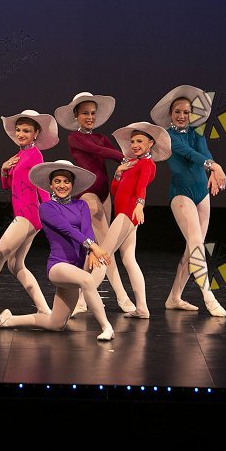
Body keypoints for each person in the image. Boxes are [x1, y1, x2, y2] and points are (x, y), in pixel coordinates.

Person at [0, 160, 115, 341]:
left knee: (56, 324)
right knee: (87, 280)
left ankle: (9, 320)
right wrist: (93, 246)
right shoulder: (46, 208)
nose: (62, 185)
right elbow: (67, 229)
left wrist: (91, 250)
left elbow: (86, 229)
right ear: (50, 185)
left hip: (75, 268)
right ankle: (107, 327)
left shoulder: (81, 205)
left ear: (72, 185)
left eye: (66, 181)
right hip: (58, 266)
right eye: (57, 181)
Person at [54, 92, 135, 314]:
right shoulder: (74, 138)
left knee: (100, 247)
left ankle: (82, 299)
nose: (90, 117)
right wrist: (125, 158)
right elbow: (99, 151)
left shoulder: (100, 136)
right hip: (88, 195)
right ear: (76, 116)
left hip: (104, 194)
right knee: (106, 246)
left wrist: (133, 163)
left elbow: (109, 151)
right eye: (85, 113)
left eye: (92, 113)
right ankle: (121, 296)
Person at [149, 85, 226, 317]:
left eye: (186, 112)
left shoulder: (197, 133)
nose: (182, 116)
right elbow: (189, 154)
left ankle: (174, 297)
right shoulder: (168, 136)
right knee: (195, 243)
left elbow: (204, 151)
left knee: (193, 248)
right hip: (181, 194)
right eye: (177, 112)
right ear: (170, 114)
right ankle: (208, 296)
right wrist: (214, 166)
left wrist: (212, 168)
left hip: (201, 193)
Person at [0, 110, 57, 314]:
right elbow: (8, 185)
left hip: (28, 215)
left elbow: (42, 186)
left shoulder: (35, 155)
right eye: (18, 130)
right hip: (24, 215)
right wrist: (3, 169)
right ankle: (45, 310)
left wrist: (50, 214)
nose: (20, 134)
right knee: (16, 265)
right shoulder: (20, 155)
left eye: (26, 131)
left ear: (36, 133)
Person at [87, 121, 172, 319]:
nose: (134, 145)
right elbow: (116, 191)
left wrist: (140, 205)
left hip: (128, 213)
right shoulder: (132, 163)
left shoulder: (147, 164)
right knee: (129, 260)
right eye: (133, 141)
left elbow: (141, 186)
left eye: (140, 141)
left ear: (150, 143)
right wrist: (118, 174)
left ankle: (82, 300)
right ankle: (142, 308)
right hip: (124, 213)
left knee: (103, 255)